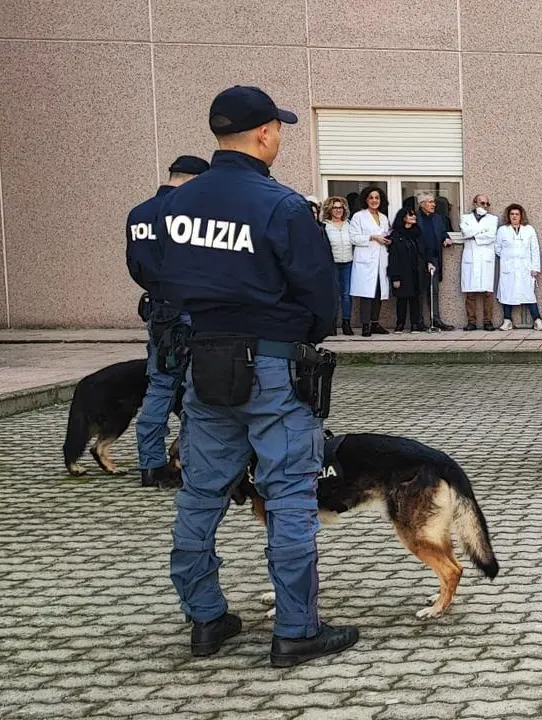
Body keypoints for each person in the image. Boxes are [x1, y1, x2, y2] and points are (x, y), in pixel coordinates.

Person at [157, 86, 357, 666]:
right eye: (280, 129)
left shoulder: (172, 207)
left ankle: (205, 619)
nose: (280, 138)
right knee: (291, 496)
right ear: (265, 133)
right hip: (275, 366)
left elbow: (158, 281)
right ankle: (296, 630)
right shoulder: (283, 205)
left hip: (204, 365)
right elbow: (321, 298)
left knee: (199, 496)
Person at [125, 154, 209, 489]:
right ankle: (186, 462)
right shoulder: (189, 212)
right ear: (193, 180)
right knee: (195, 389)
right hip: (192, 310)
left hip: (160, 311)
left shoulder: (139, 213)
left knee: (159, 387)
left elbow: (135, 265)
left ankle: (150, 465)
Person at [348, 186, 392, 336]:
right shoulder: (358, 217)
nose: (374, 201)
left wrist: (387, 240)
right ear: (366, 200)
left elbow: (386, 234)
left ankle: (375, 323)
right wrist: (372, 237)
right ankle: (365, 325)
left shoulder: (384, 217)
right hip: (365, 259)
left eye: (377, 198)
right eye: (371, 198)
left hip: (380, 259)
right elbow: (353, 237)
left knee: (379, 292)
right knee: (366, 294)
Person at [496, 203, 542, 331]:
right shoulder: (502, 230)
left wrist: (535, 267)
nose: (514, 216)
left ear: (521, 215)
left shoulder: (529, 230)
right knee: (507, 294)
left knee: (528, 294)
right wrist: (510, 257)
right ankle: (507, 320)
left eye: (517, 214)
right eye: (512, 214)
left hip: (525, 268)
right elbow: (498, 249)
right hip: (509, 268)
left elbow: (534, 249)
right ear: (508, 216)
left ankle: (537, 320)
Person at [414, 192, 455, 332]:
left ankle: (435, 320)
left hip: (435, 258)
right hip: (419, 260)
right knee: (420, 290)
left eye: (433, 202)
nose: (433, 205)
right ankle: (418, 321)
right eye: (430, 202)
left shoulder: (439, 218)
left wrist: (446, 239)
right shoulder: (416, 218)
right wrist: (424, 259)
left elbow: (443, 232)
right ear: (422, 204)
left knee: (434, 291)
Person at [385, 208, 428, 333]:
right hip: (403, 272)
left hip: (416, 271)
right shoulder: (396, 234)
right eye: (410, 215)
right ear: (403, 218)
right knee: (402, 299)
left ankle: (415, 324)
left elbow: (423, 251)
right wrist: (395, 276)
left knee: (415, 298)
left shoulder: (418, 233)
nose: (413, 217)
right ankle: (400, 324)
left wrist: (427, 263)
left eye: (414, 215)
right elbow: (393, 257)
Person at [460, 194, 499, 331]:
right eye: (482, 203)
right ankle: (471, 322)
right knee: (470, 292)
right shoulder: (465, 218)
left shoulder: (493, 219)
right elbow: (465, 232)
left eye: (487, 204)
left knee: (487, 292)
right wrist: (482, 232)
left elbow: (491, 236)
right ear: (475, 203)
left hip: (486, 258)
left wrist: (474, 235)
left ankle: (487, 321)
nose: (484, 206)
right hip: (470, 256)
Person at [321, 196, 355, 336]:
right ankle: (332, 324)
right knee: (333, 295)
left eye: (340, 207)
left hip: (348, 262)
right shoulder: (325, 226)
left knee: (346, 294)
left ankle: (346, 323)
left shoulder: (349, 224)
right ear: (329, 209)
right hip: (332, 263)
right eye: (335, 207)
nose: (338, 210)